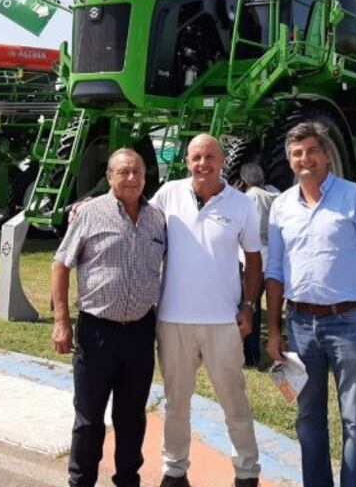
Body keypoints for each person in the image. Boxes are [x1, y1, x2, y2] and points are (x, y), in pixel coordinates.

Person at [265, 121, 356, 487]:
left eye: (311, 151)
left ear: (326, 155)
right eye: (297, 153)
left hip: (349, 323)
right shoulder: (281, 206)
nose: (305, 159)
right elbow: (275, 271)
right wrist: (273, 330)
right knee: (308, 418)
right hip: (300, 324)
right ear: (290, 160)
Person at [151, 134, 263, 487]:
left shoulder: (241, 204)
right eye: (196, 157)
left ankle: (247, 472)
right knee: (176, 403)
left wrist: (249, 306)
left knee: (234, 402)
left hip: (222, 322)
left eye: (210, 156)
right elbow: (134, 217)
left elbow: (254, 260)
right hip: (173, 320)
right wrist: (88, 205)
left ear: (222, 161)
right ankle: (174, 470)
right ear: (187, 161)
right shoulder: (168, 194)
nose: (203, 163)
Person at [51, 148, 167, 487]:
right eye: (123, 172)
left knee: (132, 417)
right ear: (110, 176)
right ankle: (81, 481)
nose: (131, 178)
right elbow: (60, 265)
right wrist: (61, 322)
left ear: (145, 177)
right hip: (97, 332)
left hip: (140, 332)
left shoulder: (157, 219)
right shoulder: (90, 213)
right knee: (89, 419)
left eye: (137, 172)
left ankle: (128, 480)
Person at [239, 162, 279, 367]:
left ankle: (250, 354)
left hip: (253, 255)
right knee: (261, 304)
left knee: (249, 305)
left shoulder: (249, 197)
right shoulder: (275, 194)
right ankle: (253, 353)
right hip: (272, 254)